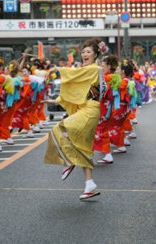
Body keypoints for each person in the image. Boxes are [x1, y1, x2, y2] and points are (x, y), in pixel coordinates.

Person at [44, 38, 106, 200]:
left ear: (96, 54)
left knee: (60, 128)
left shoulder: (94, 69)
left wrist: (58, 68)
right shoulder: (89, 70)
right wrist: (55, 100)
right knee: (84, 148)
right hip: (87, 109)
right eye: (83, 51)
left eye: (88, 52)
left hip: (90, 111)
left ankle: (71, 160)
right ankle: (89, 184)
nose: (84, 54)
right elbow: (76, 91)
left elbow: (74, 75)